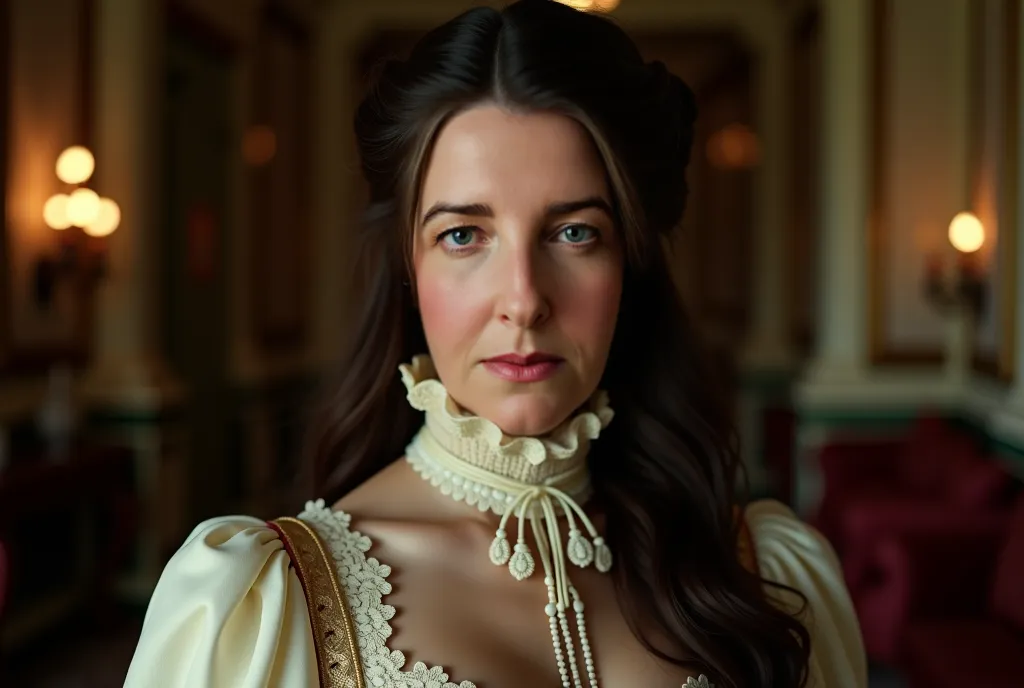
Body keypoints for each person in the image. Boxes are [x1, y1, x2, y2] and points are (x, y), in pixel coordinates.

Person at [124, 1, 866, 686]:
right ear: (410, 269)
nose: (523, 298)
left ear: (631, 263)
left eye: (575, 232)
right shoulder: (267, 602)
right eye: (463, 235)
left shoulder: (766, 569)